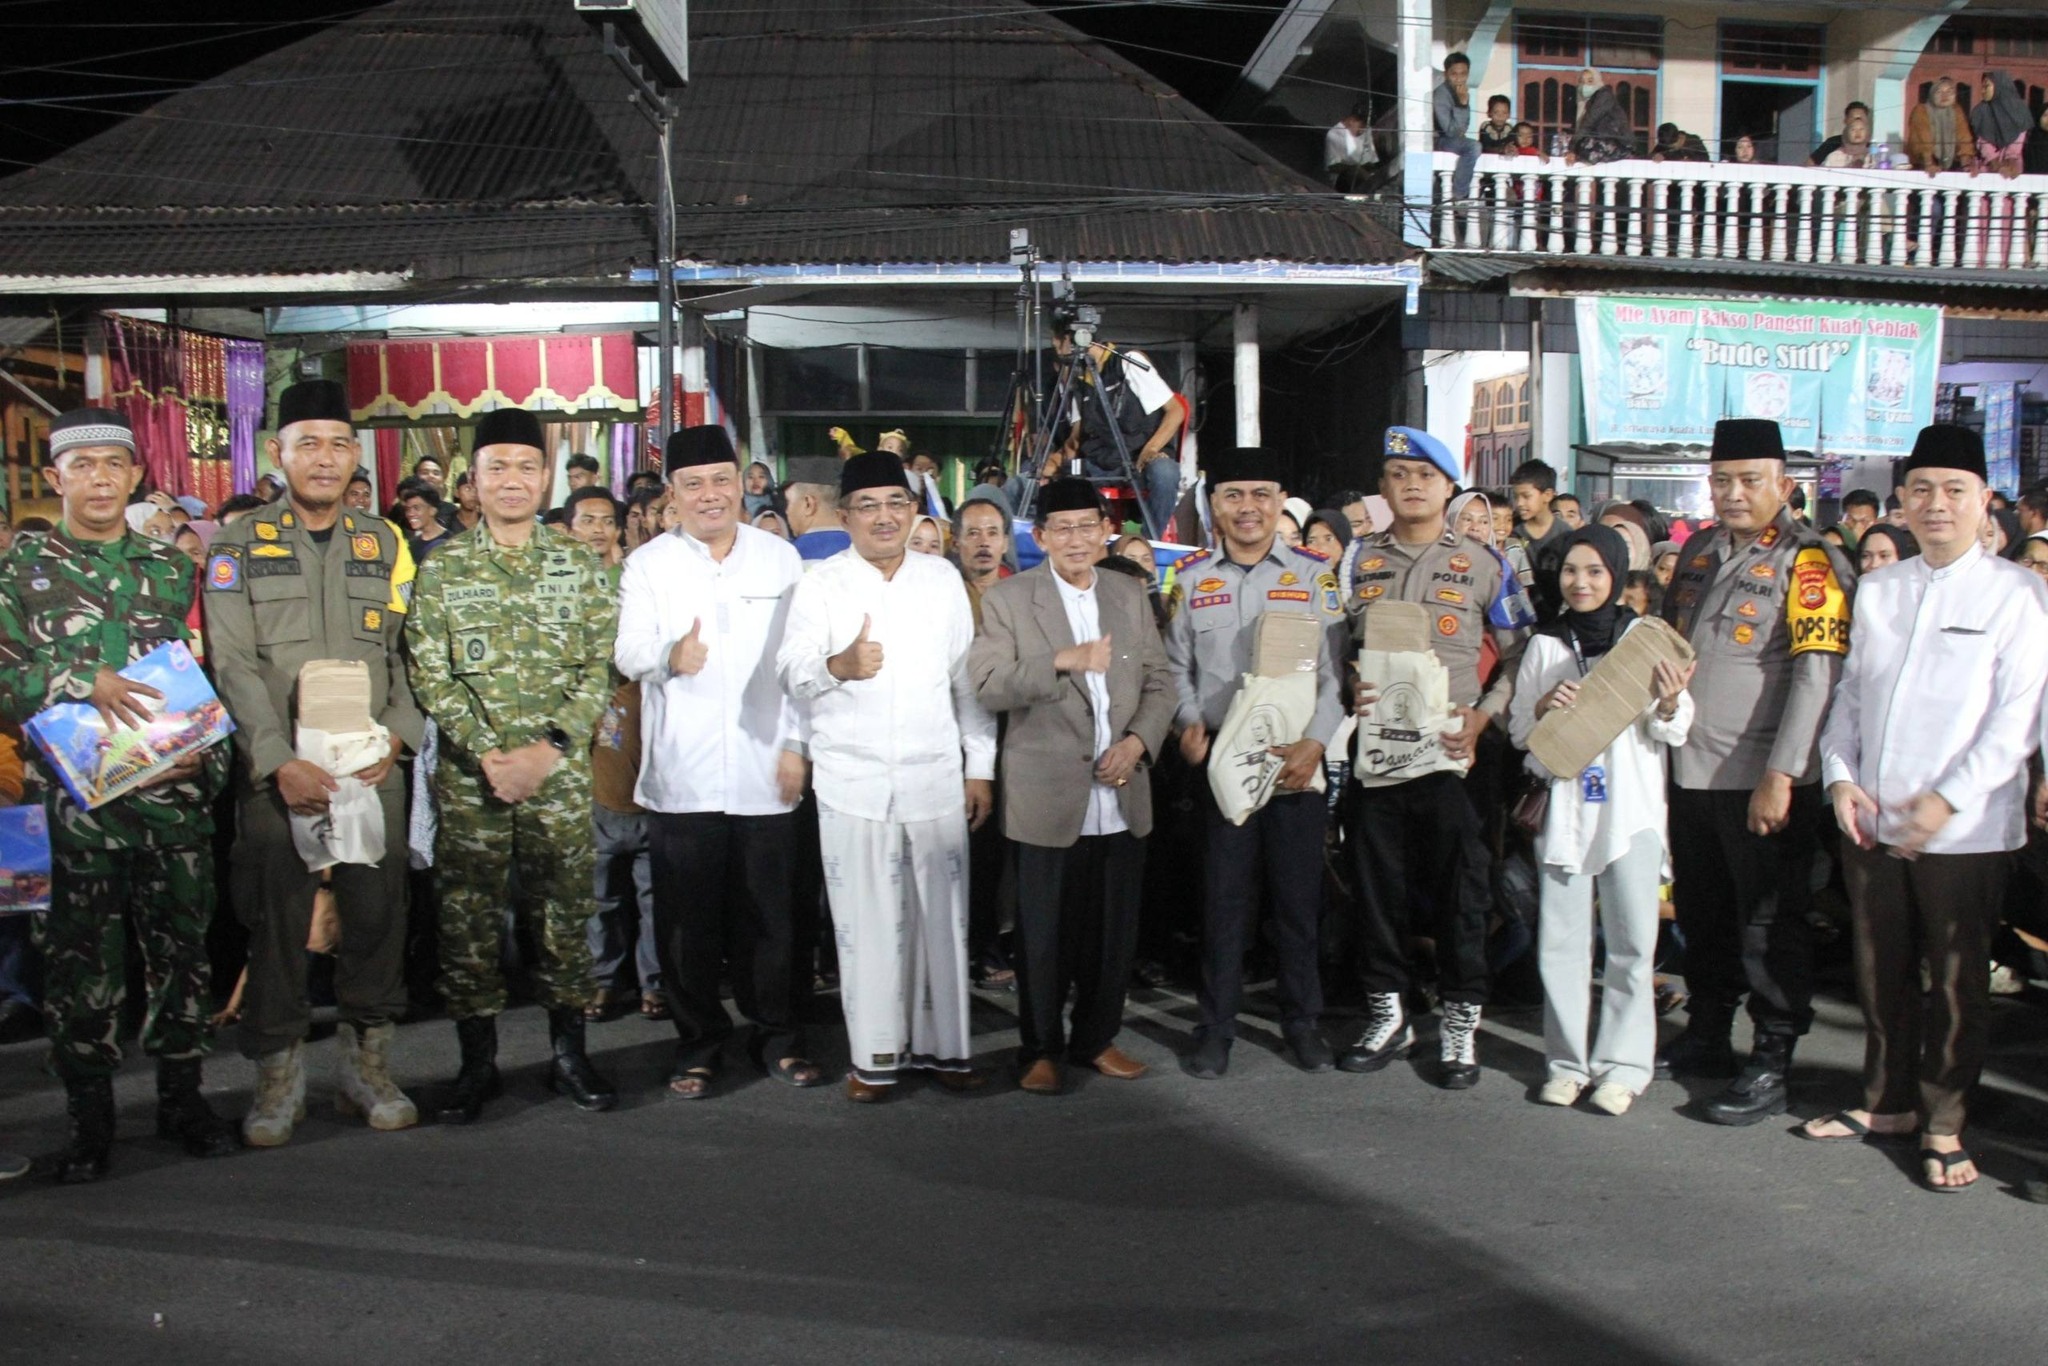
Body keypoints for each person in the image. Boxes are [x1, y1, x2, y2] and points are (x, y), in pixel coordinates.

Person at [0, 407, 238, 1182]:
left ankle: (182, 1100)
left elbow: (201, 673)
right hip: (72, 812)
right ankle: (90, 1120)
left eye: (114, 465)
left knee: (182, 958)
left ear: (136, 475)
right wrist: (80, 679)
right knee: (79, 968)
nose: (99, 478)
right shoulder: (19, 571)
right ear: (54, 477)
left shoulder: (172, 569)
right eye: (82, 465)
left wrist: (200, 759)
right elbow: (6, 681)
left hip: (170, 804)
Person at [1809, 424, 2048, 1192]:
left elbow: (2017, 720)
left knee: (1953, 981)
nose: (1936, 504)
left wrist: (1947, 801)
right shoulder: (1881, 587)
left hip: (1967, 828)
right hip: (1872, 816)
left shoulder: (2019, 594)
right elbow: (1849, 696)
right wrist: (1839, 777)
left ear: (1986, 505)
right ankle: (1886, 1104)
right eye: (1921, 490)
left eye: (1954, 491)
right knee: (1878, 970)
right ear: (1902, 503)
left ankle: (1944, 1121)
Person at [204, 378, 424, 1147]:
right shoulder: (239, 546)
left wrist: (399, 734)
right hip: (281, 772)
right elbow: (229, 662)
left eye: (338, 444)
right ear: (278, 453)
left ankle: (367, 1069)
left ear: (354, 454)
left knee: (376, 916)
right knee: (276, 922)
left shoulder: (384, 541)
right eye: (308, 444)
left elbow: (406, 651)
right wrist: (273, 761)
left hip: (371, 770)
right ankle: (277, 1077)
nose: (324, 459)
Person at [404, 408, 619, 1123]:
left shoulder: (580, 565)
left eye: (526, 466)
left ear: (546, 475)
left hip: (557, 779)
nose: (513, 480)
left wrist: (547, 750)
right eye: (497, 467)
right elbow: (429, 674)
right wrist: (489, 754)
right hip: (474, 780)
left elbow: (600, 669)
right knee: (466, 921)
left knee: (564, 916)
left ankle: (569, 1054)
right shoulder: (443, 570)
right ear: (473, 481)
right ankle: (476, 1064)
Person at [776, 451, 997, 1101]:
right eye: (867, 506)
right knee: (864, 925)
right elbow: (791, 670)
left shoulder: (941, 580)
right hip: (853, 780)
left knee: (940, 922)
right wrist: (837, 665)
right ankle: (874, 1059)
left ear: (914, 512)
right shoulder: (820, 584)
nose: (883, 517)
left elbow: (968, 684)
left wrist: (978, 767)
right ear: (844, 516)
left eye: (895, 504)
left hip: (933, 776)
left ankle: (945, 1053)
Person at [616, 426, 822, 1098]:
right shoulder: (649, 567)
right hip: (685, 778)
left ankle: (778, 1037)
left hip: (769, 772)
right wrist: (668, 654)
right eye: (694, 484)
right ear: (672, 496)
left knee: (773, 922)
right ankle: (699, 1043)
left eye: (721, 480)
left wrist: (797, 747)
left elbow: (802, 665)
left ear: (742, 483)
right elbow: (626, 652)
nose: (710, 495)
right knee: (687, 929)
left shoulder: (780, 560)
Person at [1659, 418, 1854, 1125]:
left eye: (1749, 481)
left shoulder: (1809, 560)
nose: (1733, 494)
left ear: (1784, 486)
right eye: (1721, 481)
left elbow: (1817, 673)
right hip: (1691, 768)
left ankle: (1772, 1057)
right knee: (1705, 913)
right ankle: (1709, 1032)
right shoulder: (1702, 552)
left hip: (1762, 775)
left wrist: (1784, 772)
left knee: (1771, 924)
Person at [969, 478, 1175, 1094]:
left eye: (1089, 525)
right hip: (1047, 793)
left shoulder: (1129, 593)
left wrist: (1138, 743)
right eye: (1063, 528)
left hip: (1122, 786)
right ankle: (1039, 1047)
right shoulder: (1010, 599)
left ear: (1106, 530)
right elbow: (987, 685)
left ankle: (1096, 1039)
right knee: (1041, 933)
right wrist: (1063, 661)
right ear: (1041, 536)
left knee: (1113, 932)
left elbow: (1162, 682)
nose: (1078, 538)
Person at [1339, 429, 1529, 1087]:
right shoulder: (1357, 560)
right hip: (1379, 755)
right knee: (1376, 886)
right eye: (1397, 473)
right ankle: (1387, 1010)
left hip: (1455, 756)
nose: (1412, 484)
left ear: (1449, 487)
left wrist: (1485, 715)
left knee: (1463, 893)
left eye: (1425, 474)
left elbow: (1519, 652)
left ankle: (1459, 1021)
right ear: (1384, 488)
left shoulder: (1485, 563)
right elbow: (1336, 650)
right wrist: (1347, 684)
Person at [1166, 447, 1348, 1080]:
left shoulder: (1314, 575)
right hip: (1221, 764)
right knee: (1223, 903)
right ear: (1215, 505)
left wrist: (1317, 744)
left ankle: (1302, 1023)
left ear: (1280, 501)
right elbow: (1174, 666)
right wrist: (1188, 721)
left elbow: (1332, 676)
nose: (1249, 507)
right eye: (1235, 495)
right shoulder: (1189, 579)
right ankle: (1215, 1027)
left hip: (1294, 762)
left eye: (1262, 494)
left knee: (1298, 904)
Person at [1511, 524, 1693, 1116]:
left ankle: (1623, 1066)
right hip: (1566, 813)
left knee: (1632, 945)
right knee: (1560, 943)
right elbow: (1520, 735)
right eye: (1570, 571)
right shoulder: (1546, 645)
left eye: (1594, 571)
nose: (1581, 582)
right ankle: (1565, 1064)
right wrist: (1542, 708)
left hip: (1629, 814)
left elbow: (1676, 727)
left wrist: (1666, 701)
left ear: (1616, 576)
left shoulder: (1644, 640)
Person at [1046, 309, 1183, 541]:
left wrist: (1151, 449)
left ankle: (1148, 542)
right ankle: (1094, 543)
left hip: (1139, 460)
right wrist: (1055, 461)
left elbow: (1176, 411)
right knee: (1064, 480)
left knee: (1166, 473)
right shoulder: (1075, 379)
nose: (1057, 350)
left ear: (1075, 340)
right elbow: (1077, 437)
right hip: (1103, 464)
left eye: (1059, 343)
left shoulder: (1127, 362)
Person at [1510, 458, 1568, 620]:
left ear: (1547, 495)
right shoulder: (1511, 531)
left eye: (1526, 496)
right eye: (1516, 497)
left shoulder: (1566, 535)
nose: (1519, 503)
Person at [1434, 53, 1480, 200]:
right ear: (1446, 74)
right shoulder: (1441, 93)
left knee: (1474, 147)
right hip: (1438, 140)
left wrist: (1463, 103)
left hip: (1453, 138)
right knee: (1473, 147)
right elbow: (1450, 131)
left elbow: (1463, 127)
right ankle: (1460, 194)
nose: (1459, 78)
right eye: (1454, 74)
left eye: (1463, 74)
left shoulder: (1462, 93)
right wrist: (1461, 105)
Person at [1907, 78, 1976, 174]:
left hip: (1951, 164)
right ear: (1932, 94)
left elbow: (1964, 139)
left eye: (1949, 91)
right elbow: (1922, 139)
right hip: (1923, 165)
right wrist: (1929, 164)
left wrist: (1966, 165)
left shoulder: (1956, 111)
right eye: (1939, 91)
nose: (1945, 95)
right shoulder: (1921, 110)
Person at [1568, 69, 1634, 165]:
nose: (1585, 85)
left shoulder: (1604, 95)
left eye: (1590, 81)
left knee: (1585, 147)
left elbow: (1589, 121)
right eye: (1582, 82)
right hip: (1602, 142)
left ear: (1597, 80)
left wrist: (1572, 148)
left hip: (1619, 144)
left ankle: (1591, 179)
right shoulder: (1587, 102)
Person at [1971, 71, 2031, 177]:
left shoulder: (2019, 111)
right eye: (1982, 87)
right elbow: (1983, 141)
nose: (1983, 90)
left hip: (2012, 168)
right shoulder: (1981, 111)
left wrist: (2010, 160)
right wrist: (1994, 162)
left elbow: (2017, 140)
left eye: (1987, 86)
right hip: (1986, 169)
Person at [785, 481, 851, 563]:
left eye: (788, 502)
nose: (787, 511)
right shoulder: (865, 552)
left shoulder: (785, 557)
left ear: (808, 504)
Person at [1326, 102, 1379, 191]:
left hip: (1364, 179)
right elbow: (1332, 166)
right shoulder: (1334, 135)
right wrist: (1358, 168)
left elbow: (1372, 161)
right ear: (1352, 120)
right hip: (1343, 182)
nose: (1363, 130)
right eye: (1362, 125)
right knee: (1355, 172)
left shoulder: (1365, 134)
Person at [1810, 102, 1873, 167]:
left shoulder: (1872, 149)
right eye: (1853, 118)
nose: (1857, 121)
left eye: (1860, 118)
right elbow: (1809, 165)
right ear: (1845, 120)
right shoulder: (1833, 143)